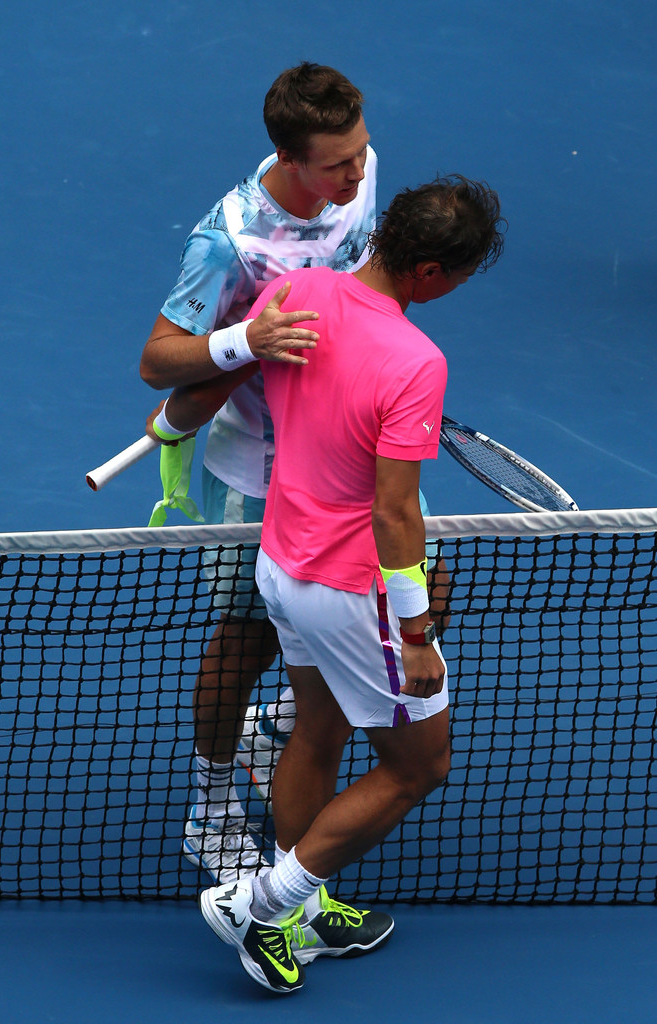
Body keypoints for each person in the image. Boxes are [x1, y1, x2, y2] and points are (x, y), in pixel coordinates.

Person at [141, 62, 451, 888]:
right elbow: (156, 363)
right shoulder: (229, 241)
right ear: (287, 154)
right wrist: (251, 339)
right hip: (255, 468)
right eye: (336, 164)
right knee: (243, 639)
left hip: (345, 445)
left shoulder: (360, 173)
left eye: (361, 153)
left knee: (430, 583)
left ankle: (283, 721)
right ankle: (210, 809)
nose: (357, 177)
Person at [192, 176, 505, 993]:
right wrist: (414, 634)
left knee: (317, 731)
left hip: (281, 566)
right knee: (418, 767)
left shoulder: (296, 294)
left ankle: (295, 918)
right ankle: (263, 902)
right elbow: (396, 515)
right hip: (348, 590)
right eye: (460, 277)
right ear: (431, 272)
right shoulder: (415, 361)